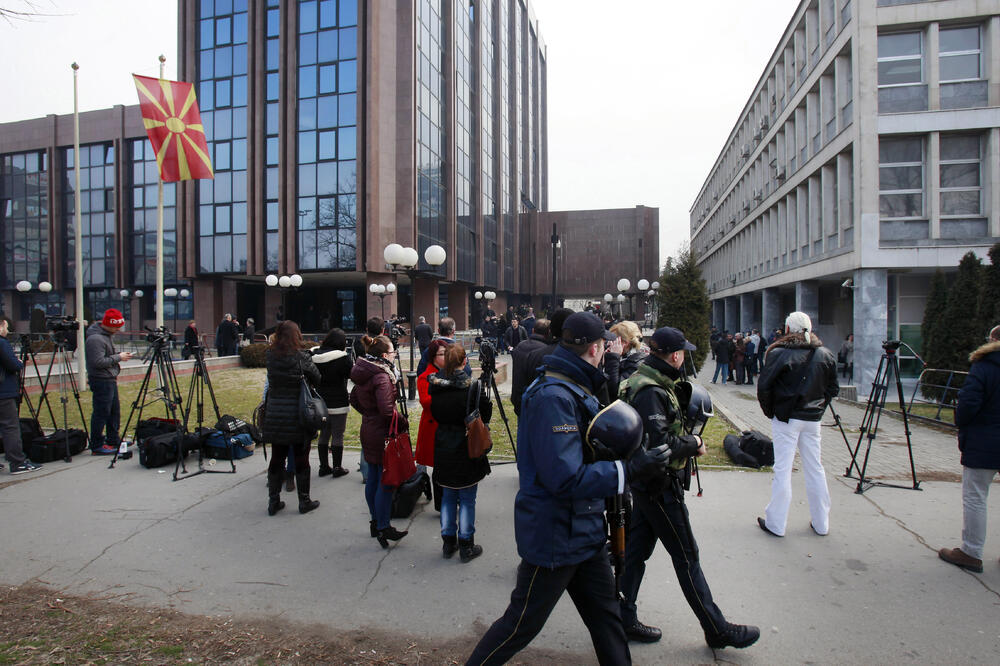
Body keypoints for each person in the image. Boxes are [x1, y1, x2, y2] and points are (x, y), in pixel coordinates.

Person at [465, 312, 672, 665]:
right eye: (604, 346)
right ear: (594, 349)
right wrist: (629, 469)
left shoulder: (572, 384)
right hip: (555, 535)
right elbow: (565, 478)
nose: (608, 350)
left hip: (584, 531)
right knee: (520, 626)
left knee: (608, 622)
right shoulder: (553, 397)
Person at [618, 326, 760, 649]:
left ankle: (622, 616)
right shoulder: (651, 389)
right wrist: (693, 441)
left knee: (636, 553)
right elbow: (660, 444)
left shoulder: (648, 377)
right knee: (687, 558)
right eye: (685, 353)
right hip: (658, 487)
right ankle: (717, 628)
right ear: (676, 355)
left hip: (647, 485)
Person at [756, 312, 839, 537]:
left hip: (786, 418)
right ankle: (822, 523)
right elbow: (833, 389)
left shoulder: (779, 353)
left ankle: (777, 523)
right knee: (815, 468)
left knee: (783, 469)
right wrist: (819, 408)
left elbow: (764, 386)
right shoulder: (825, 354)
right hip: (812, 419)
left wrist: (772, 411)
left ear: (787, 329)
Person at [938, 324, 1000, 573]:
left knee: (975, 496)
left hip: (984, 442)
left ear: (993, 340)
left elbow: (968, 405)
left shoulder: (984, 366)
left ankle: (971, 552)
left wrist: (962, 424)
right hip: (986, 439)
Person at [429, 344, 492, 562]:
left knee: (447, 495)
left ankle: (448, 542)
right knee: (466, 498)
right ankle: (466, 543)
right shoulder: (471, 387)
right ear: (464, 361)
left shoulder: (435, 385)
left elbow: (435, 412)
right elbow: (486, 412)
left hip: (443, 441)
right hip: (465, 443)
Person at [350, 335, 410, 548]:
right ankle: (384, 526)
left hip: (369, 429)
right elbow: (386, 410)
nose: (395, 355)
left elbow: (354, 399)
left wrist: (368, 414)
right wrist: (403, 422)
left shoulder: (366, 370)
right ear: (385, 355)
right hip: (381, 433)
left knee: (374, 477)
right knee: (386, 481)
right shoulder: (382, 376)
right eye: (393, 351)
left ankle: (376, 522)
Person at [262, 321, 322, 516]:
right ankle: (304, 500)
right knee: (301, 457)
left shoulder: (270, 356)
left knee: (277, 457)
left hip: (276, 413)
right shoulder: (301, 357)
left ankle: (273, 501)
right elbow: (316, 377)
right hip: (298, 413)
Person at [86, 308, 134, 454]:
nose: (118, 329)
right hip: (101, 380)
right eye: (116, 327)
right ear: (108, 324)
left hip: (109, 378)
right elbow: (97, 361)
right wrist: (118, 357)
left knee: (114, 411)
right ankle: (97, 444)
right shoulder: (95, 339)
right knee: (101, 412)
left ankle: (113, 439)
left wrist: (117, 357)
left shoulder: (106, 335)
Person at [0, 316, 41, 474]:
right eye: (5, 326)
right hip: (4, 391)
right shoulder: (2, 343)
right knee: (10, 427)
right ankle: (17, 462)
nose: (8, 330)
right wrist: (18, 362)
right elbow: (13, 364)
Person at [312, 328, 353, 479]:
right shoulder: (342, 358)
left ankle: (323, 466)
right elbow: (351, 374)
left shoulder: (314, 355)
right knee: (337, 434)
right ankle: (337, 467)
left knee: (324, 433)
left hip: (320, 400)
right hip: (338, 401)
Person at [510, 318, 550, 416]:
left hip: (518, 397)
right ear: (549, 333)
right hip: (538, 400)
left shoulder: (520, 346)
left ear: (533, 330)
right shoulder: (545, 351)